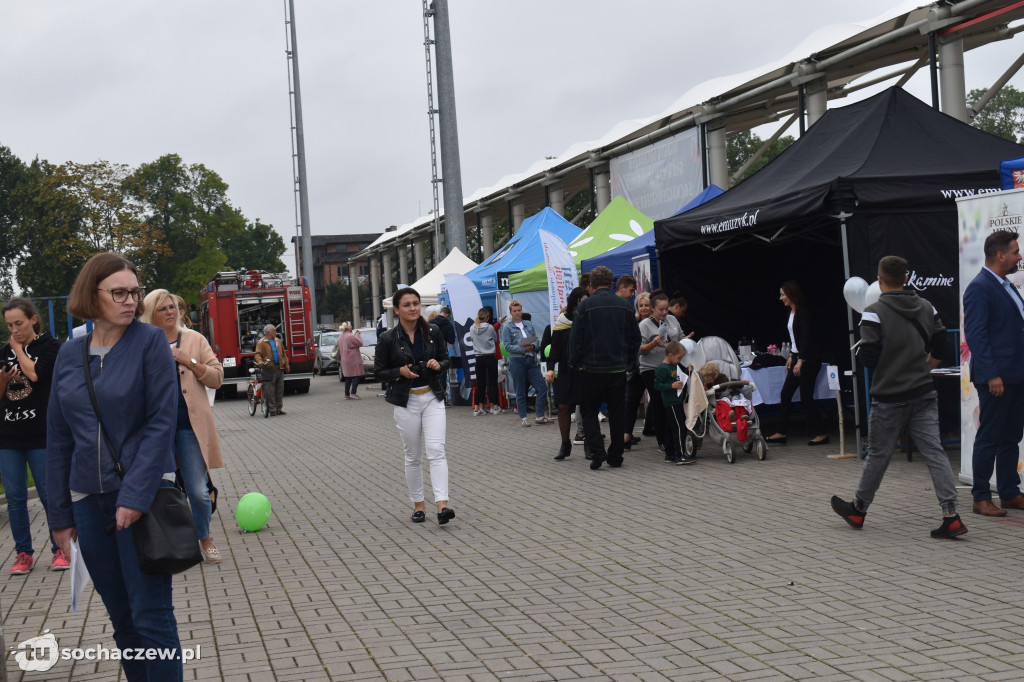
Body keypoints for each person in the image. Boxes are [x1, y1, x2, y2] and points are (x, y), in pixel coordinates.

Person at [46, 252, 184, 680]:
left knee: (151, 616)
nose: (130, 301)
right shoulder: (70, 354)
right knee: (122, 619)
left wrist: (136, 496)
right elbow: (58, 438)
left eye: (135, 292)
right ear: (92, 295)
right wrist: (60, 516)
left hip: (140, 500)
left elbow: (163, 421)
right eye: (119, 293)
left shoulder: (150, 343)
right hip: (88, 502)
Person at [831, 255, 965, 538]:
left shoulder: (873, 311)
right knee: (934, 452)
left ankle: (858, 510)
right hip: (924, 392)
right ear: (907, 278)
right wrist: (923, 366)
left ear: (879, 280)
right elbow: (942, 345)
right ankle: (951, 514)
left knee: (879, 453)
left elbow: (868, 356)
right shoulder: (928, 307)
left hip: (889, 396)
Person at [142, 288, 226, 564]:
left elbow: (216, 378)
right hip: (155, 430)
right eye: (163, 308)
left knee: (198, 493)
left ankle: (204, 537)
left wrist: (188, 361)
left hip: (189, 428)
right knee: (155, 490)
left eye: (173, 307)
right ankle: (165, 542)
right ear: (151, 314)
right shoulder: (141, 343)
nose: (170, 312)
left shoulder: (193, 339)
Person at [374, 288, 455, 525]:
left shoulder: (433, 331)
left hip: (432, 397)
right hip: (405, 400)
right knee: (413, 456)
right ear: (396, 310)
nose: (413, 308)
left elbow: (446, 359)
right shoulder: (388, 338)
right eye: (407, 305)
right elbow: (379, 371)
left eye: (416, 304)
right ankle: (419, 505)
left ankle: (442, 505)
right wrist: (399, 371)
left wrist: (438, 365)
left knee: (437, 450)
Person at [0, 298, 65, 573]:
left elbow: (36, 375)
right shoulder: (3, 352)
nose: (14, 330)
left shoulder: (51, 347)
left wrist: (18, 349)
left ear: (33, 319)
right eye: (9, 325)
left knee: (49, 495)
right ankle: (23, 553)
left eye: (19, 323)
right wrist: (3, 381)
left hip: (41, 435)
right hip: (8, 437)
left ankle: (60, 548)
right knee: (15, 498)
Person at [963, 229, 1024, 516]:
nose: (1019, 256)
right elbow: (976, 335)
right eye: (1015, 251)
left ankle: (1010, 493)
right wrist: (991, 374)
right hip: (996, 377)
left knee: (1011, 436)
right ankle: (980, 497)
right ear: (1001, 256)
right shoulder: (980, 287)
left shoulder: (1005, 285)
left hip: (1015, 374)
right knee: (990, 436)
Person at [569, 266, 641, 470]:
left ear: (591, 284)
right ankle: (616, 456)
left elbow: (576, 340)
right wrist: (629, 362)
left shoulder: (585, 307)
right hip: (617, 369)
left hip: (591, 370)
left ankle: (597, 452)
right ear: (611, 284)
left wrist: (575, 363)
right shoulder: (625, 307)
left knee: (589, 411)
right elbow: (636, 339)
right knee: (617, 413)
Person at [766, 280, 829, 446]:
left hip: (808, 359)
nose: (781, 298)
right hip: (797, 357)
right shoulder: (791, 313)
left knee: (806, 398)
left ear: (791, 295)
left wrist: (800, 360)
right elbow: (795, 339)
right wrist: (791, 356)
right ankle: (781, 432)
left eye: (783, 295)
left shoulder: (804, 313)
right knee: (786, 394)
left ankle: (822, 433)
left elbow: (807, 338)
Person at [637, 292, 685, 453]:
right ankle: (662, 441)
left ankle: (674, 437)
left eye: (666, 309)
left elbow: (681, 337)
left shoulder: (672, 320)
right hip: (651, 368)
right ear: (652, 309)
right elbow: (640, 350)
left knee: (673, 402)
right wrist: (653, 344)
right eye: (661, 310)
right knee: (659, 402)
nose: (664, 313)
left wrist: (686, 341)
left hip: (672, 367)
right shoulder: (644, 325)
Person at [546, 287, 587, 460]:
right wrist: (550, 368)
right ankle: (565, 443)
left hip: (585, 369)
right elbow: (554, 347)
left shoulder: (588, 319)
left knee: (586, 407)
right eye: (581, 301)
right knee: (563, 406)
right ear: (574, 302)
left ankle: (589, 444)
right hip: (565, 369)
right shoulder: (562, 321)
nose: (584, 304)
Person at [500, 300, 550, 427]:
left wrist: (533, 346)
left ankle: (539, 416)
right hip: (517, 361)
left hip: (531, 360)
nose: (517, 313)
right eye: (515, 311)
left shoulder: (528, 324)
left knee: (542, 387)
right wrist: (523, 349)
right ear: (510, 313)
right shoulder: (507, 327)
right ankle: (523, 417)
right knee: (520, 390)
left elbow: (536, 340)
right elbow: (507, 346)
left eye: (519, 310)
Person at [654, 341, 697, 465]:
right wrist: (670, 385)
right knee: (679, 427)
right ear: (671, 355)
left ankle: (670, 453)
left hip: (677, 400)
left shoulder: (675, 366)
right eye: (679, 358)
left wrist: (688, 371)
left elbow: (680, 378)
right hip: (670, 401)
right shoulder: (662, 368)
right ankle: (680, 455)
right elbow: (657, 385)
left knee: (670, 426)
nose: (680, 360)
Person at [623, 293, 651, 450]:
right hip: (636, 369)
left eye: (646, 305)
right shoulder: (633, 322)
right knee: (631, 403)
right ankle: (626, 435)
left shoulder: (656, 323)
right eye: (641, 305)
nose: (644, 308)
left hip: (653, 368)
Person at [470, 307, 500, 414]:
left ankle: (477, 408)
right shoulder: (490, 328)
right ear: (487, 317)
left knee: (480, 384)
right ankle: (494, 407)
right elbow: (495, 339)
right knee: (492, 383)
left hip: (479, 358)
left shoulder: (472, 328)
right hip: (490, 357)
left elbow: (473, 340)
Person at [255, 324, 289, 416]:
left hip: (279, 367)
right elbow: (257, 354)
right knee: (270, 390)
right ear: (268, 332)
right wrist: (259, 361)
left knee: (280, 389)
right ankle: (272, 410)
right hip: (268, 368)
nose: (276, 332)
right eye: (274, 330)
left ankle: (279, 409)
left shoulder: (278, 341)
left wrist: (287, 364)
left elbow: (283, 354)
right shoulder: (261, 342)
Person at [338, 322, 365, 399]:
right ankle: (353, 393)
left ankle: (346, 394)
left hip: (344, 358)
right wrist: (359, 335)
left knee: (348, 377)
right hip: (353, 358)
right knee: (356, 375)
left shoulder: (340, 337)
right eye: (350, 326)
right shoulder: (350, 336)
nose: (352, 327)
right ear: (348, 328)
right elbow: (360, 343)